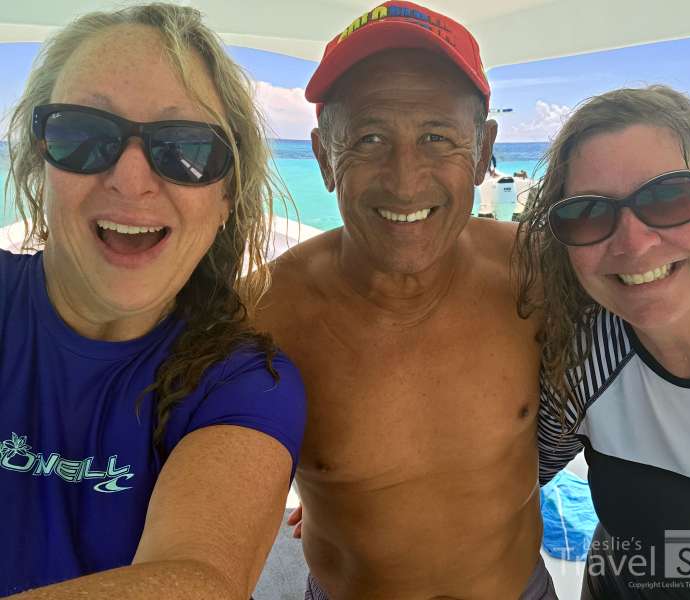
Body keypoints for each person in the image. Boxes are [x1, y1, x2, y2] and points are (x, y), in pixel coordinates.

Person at [1, 4, 305, 598]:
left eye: (186, 147)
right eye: (81, 134)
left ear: (226, 198)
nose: (131, 180)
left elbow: (200, 581)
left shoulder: (241, 383)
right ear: (40, 163)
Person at [256, 2, 555, 599]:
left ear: (483, 152)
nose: (405, 180)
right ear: (324, 157)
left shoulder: (536, 272)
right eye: (368, 139)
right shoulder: (265, 314)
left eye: (436, 137)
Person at [516, 85, 690, 598]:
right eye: (589, 213)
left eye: (669, 197)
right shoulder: (582, 362)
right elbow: (507, 484)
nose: (633, 242)